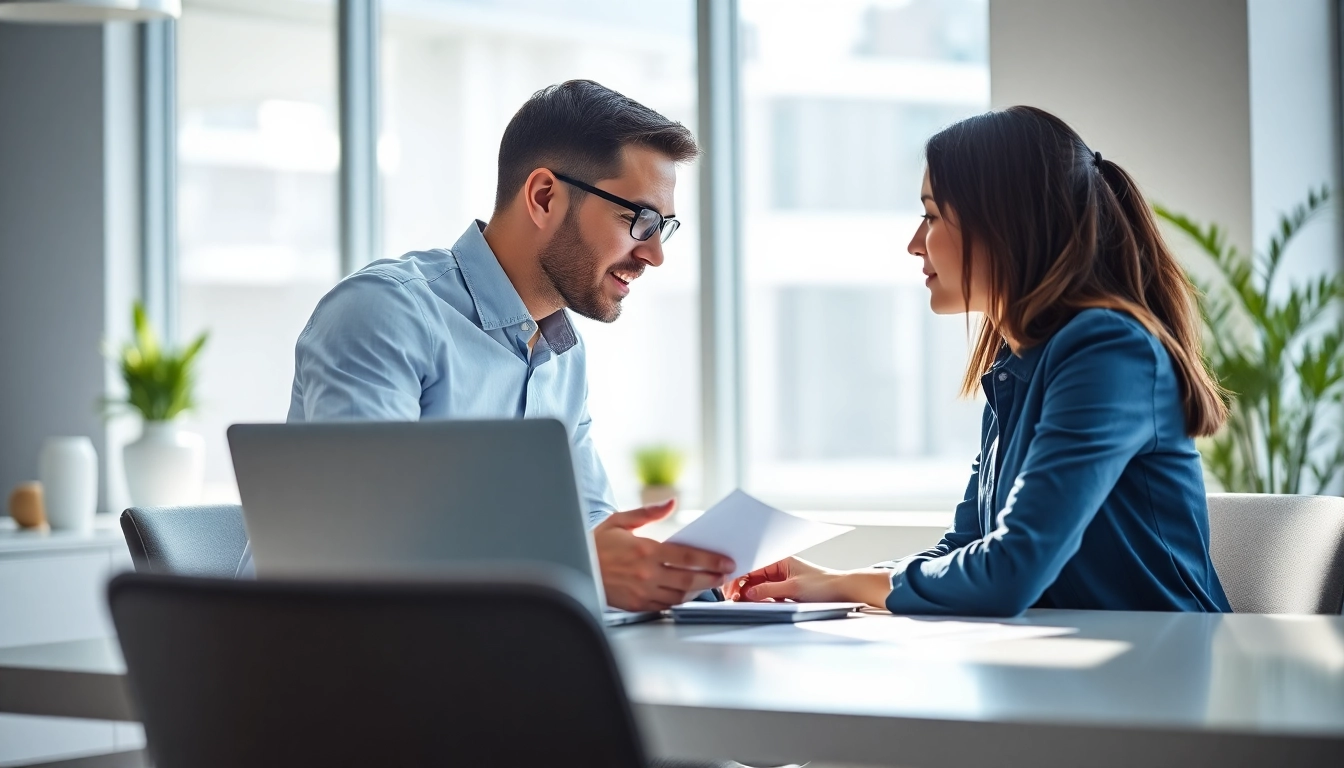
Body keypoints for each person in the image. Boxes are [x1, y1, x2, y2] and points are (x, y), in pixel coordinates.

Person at [237, 80, 734, 612]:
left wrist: (696, 578)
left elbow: (588, 523)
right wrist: (582, 566)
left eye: (666, 227)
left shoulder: (563, 354)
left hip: (473, 653)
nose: (655, 254)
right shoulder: (386, 314)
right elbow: (365, 541)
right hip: (318, 659)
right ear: (544, 197)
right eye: (639, 220)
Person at [726, 106, 1233, 616]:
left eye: (930, 215)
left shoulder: (1106, 349)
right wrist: (835, 580)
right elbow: (968, 548)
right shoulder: (1016, 368)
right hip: (1070, 666)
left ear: (1002, 224)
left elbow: (1008, 573)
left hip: (1161, 672)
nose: (913, 244)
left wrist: (845, 587)